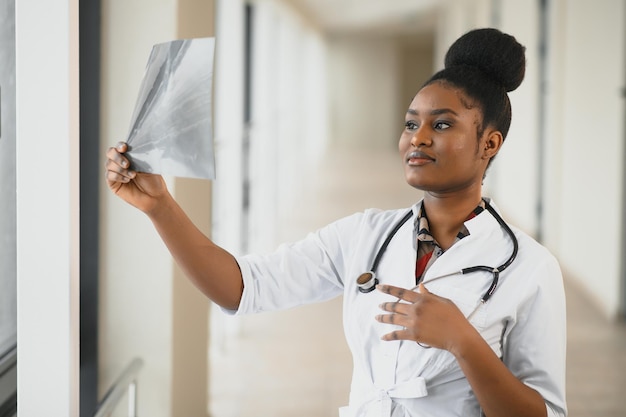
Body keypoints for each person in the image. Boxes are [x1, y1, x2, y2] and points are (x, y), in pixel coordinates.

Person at [106, 28, 567, 417]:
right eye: (411, 124)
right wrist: (160, 206)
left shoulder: (529, 268)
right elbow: (243, 287)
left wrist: (463, 341)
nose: (418, 138)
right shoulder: (364, 234)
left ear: (489, 144)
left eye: (442, 125)